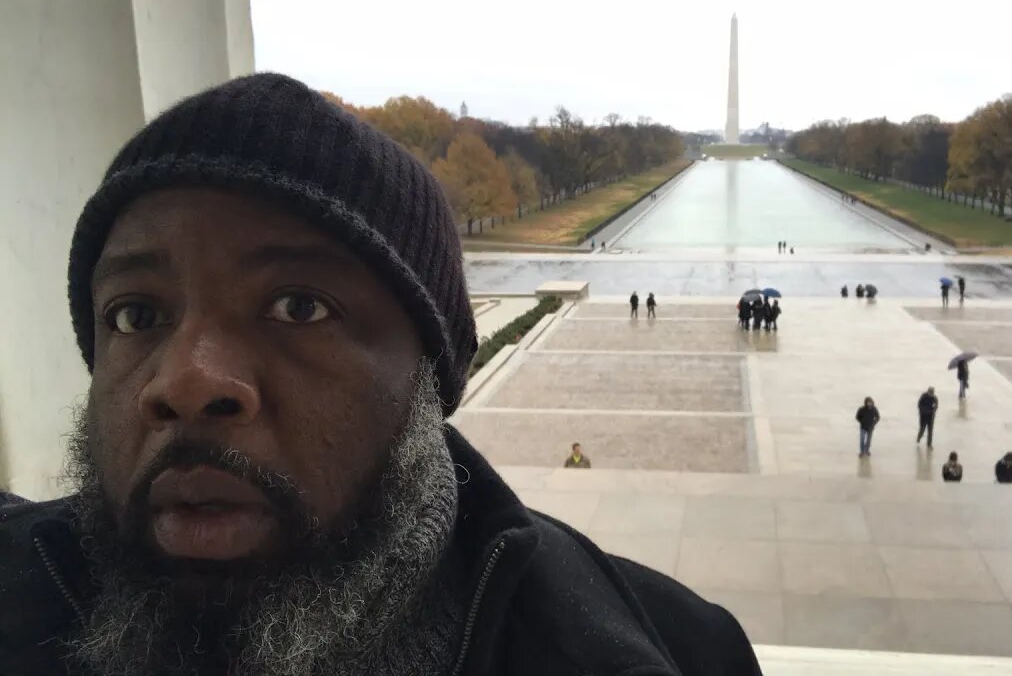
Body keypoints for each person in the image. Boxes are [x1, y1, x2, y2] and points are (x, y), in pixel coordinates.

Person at [0, 74, 760, 676]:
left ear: (429, 377)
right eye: (135, 316)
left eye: (299, 306)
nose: (187, 382)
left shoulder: (680, 654)